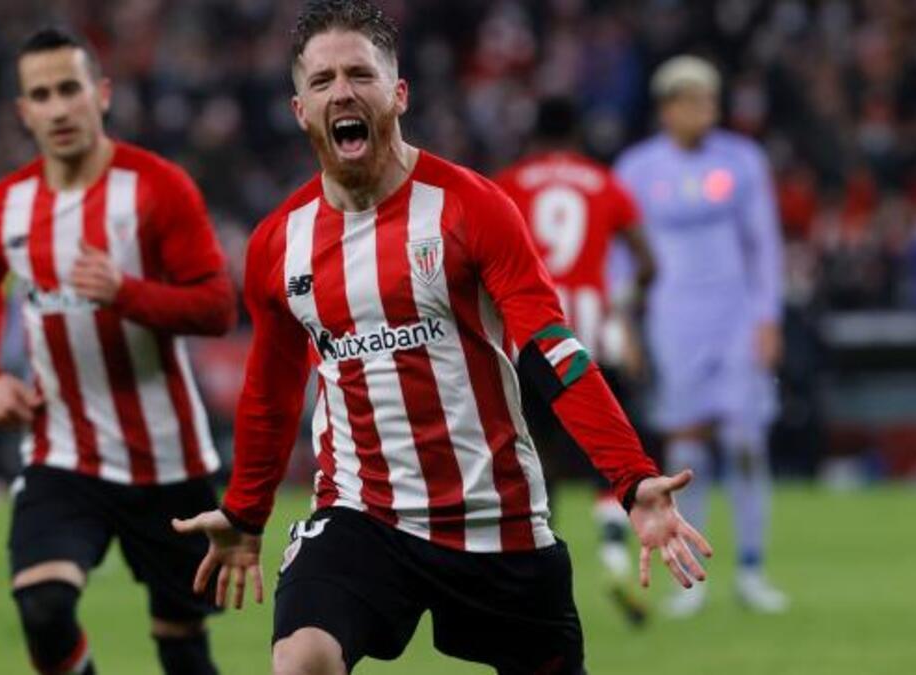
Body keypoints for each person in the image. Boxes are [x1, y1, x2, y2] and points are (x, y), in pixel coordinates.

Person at [171, 3, 711, 674]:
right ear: (300, 109)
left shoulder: (472, 207)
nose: (342, 90)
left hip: (496, 517)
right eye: (322, 80)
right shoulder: (280, 242)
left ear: (398, 94)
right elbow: (271, 390)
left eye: (360, 74)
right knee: (302, 659)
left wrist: (633, 479)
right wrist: (247, 512)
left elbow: (549, 346)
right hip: (361, 514)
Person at [0, 27, 235, 675]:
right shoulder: (1, 208)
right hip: (63, 450)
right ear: (24, 111)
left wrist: (126, 292)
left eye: (69, 90)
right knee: (44, 608)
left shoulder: (158, 187)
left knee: (182, 643)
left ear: (100, 94)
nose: (57, 109)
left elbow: (218, 306)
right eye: (41, 96)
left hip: (166, 457)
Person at [614, 55, 789, 617]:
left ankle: (753, 569)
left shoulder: (742, 161)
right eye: (694, 100)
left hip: (735, 316)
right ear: (668, 107)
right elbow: (619, 255)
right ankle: (693, 578)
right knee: (687, 450)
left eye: (711, 100)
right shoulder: (637, 170)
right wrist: (624, 322)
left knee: (744, 443)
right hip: (673, 320)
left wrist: (767, 317)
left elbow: (764, 245)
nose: (705, 111)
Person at [493, 97, 657, 627]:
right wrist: (624, 312)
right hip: (593, 336)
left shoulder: (509, 183)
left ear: (534, 136)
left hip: (530, 337)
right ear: (578, 136)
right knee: (605, 459)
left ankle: (535, 580)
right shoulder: (604, 183)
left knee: (533, 463)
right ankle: (614, 561)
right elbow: (649, 263)